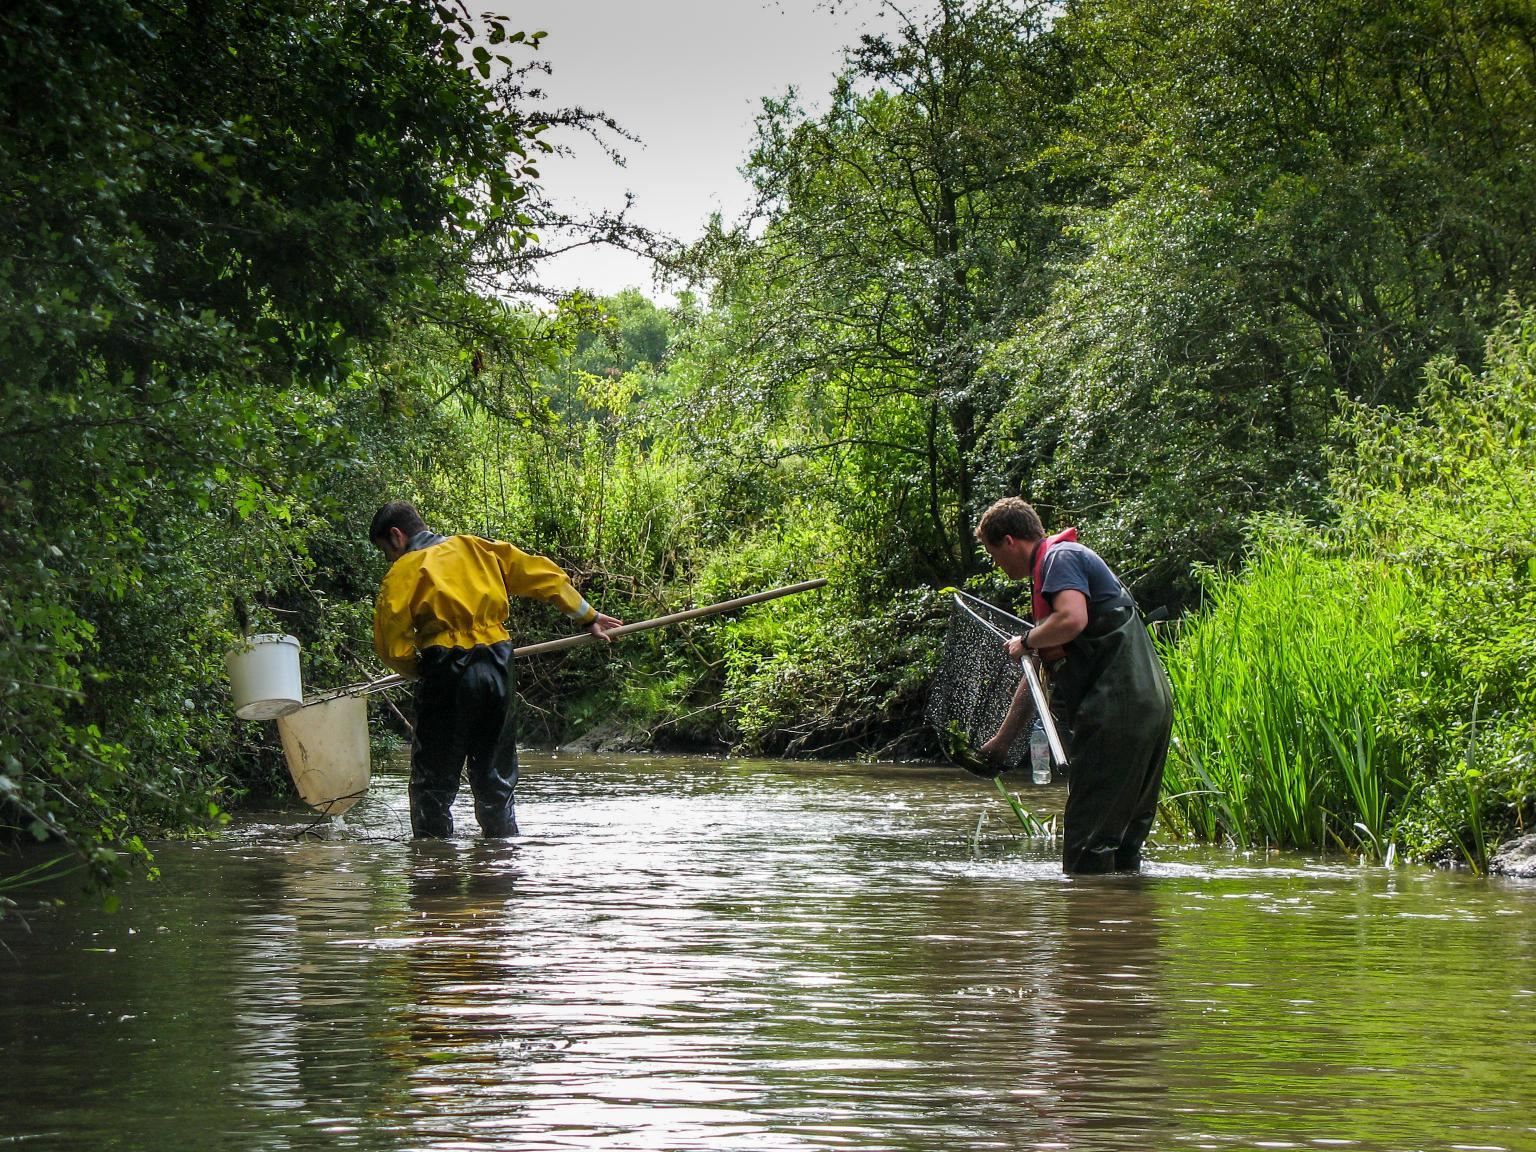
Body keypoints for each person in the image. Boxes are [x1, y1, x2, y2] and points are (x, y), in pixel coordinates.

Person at [369, 502, 623, 838]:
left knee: (433, 786)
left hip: (446, 670)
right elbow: (542, 576)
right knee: (496, 781)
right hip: (498, 664)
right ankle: (500, 871)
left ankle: (433, 875)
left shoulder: (404, 571)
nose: (390, 559)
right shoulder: (476, 548)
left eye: (387, 551)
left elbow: (392, 647)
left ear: (396, 537)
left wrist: (419, 670)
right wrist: (588, 616)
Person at [974, 497, 1172, 873]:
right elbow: (1040, 676)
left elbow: (1071, 619)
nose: (997, 565)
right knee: (1124, 841)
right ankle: (1128, 922)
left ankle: (1086, 927)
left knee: (1086, 844)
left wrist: (1028, 640)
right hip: (1149, 708)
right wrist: (1002, 741)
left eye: (994, 553)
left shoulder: (1058, 558)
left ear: (1011, 541)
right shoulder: (1062, 567)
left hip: (1117, 708)